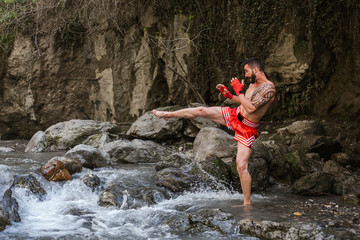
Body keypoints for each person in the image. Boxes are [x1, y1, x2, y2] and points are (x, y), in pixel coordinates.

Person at [152, 57, 276, 205]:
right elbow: (244, 101)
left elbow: (251, 108)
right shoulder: (252, 84)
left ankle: (246, 203)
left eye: (247, 71)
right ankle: (168, 115)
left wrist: (239, 91)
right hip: (234, 115)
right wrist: (230, 95)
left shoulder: (269, 89)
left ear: (256, 69)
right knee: (201, 110)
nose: (246, 75)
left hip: (247, 127)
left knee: (241, 165)